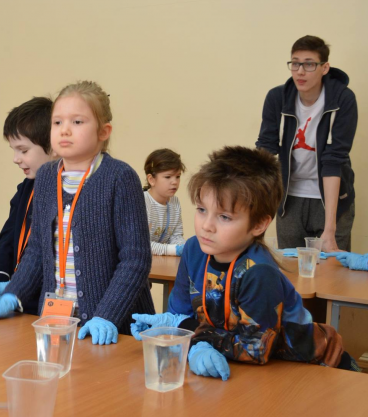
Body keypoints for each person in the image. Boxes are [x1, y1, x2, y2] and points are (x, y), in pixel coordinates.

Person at [131, 146, 359, 379]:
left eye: (224, 217)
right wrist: (168, 326)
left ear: (259, 224)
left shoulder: (259, 272)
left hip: (316, 367)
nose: (206, 226)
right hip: (255, 369)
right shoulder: (193, 250)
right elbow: (180, 315)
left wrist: (195, 338)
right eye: (201, 209)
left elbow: (255, 349)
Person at [0, 81, 155, 345]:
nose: (65, 129)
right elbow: (37, 250)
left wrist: (106, 316)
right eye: (57, 122)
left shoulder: (120, 177)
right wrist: (12, 295)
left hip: (111, 328)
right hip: (56, 323)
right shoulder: (45, 177)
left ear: (103, 131)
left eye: (77, 122)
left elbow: (135, 260)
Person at [256, 35, 357, 252]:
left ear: (324, 67)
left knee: (332, 268)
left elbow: (334, 160)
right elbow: (265, 151)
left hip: (331, 200)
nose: (300, 71)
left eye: (309, 64)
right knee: (290, 268)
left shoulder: (343, 99)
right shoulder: (277, 98)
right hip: (289, 199)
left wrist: (330, 228)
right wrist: (255, 210)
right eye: (295, 63)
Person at [0, 97, 54, 315]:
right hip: (15, 298)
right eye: (13, 150)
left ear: (53, 146)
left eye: (23, 150)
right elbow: (6, 242)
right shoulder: (25, 189)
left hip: (45, 303)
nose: (16, 158)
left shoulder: (66, 192)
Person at [142, 148, 186, 256]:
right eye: (168, 177)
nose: (175, 182)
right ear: (151, 179)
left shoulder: (175, 202)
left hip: (160, 260)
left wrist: (185, 248)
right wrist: (174, 250)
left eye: (178, 176)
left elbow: (176, 236)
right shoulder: (142, 202)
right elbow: (140, 244)